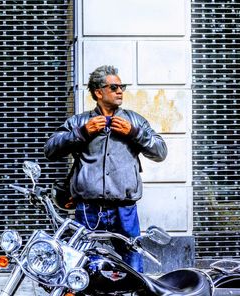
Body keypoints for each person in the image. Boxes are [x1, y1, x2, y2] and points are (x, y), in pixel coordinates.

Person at [44, 65, 167, 272]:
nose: (120, 91)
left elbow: (160, 152)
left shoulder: (134, 120)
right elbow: (50, 149)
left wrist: (135, 133)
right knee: (85, 260)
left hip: (124, 208)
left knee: (132, 260)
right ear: (98, 92)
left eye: (122, 87)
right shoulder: (80, 121)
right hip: (88, 208)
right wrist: (81, 132)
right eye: (114, 87)